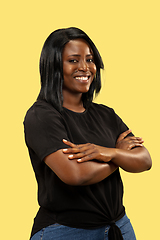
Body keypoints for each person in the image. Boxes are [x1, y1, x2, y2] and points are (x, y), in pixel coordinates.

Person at [24, 27, 152, 240]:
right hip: (65, 230)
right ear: (54, 66)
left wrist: (108, 153)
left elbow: (144, 160)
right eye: (73, 60)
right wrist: (119, 156)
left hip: (119, 226)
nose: (85, 67)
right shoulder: (42, 116)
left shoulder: (106, 114)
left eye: (90, 59)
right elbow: (74, 175)